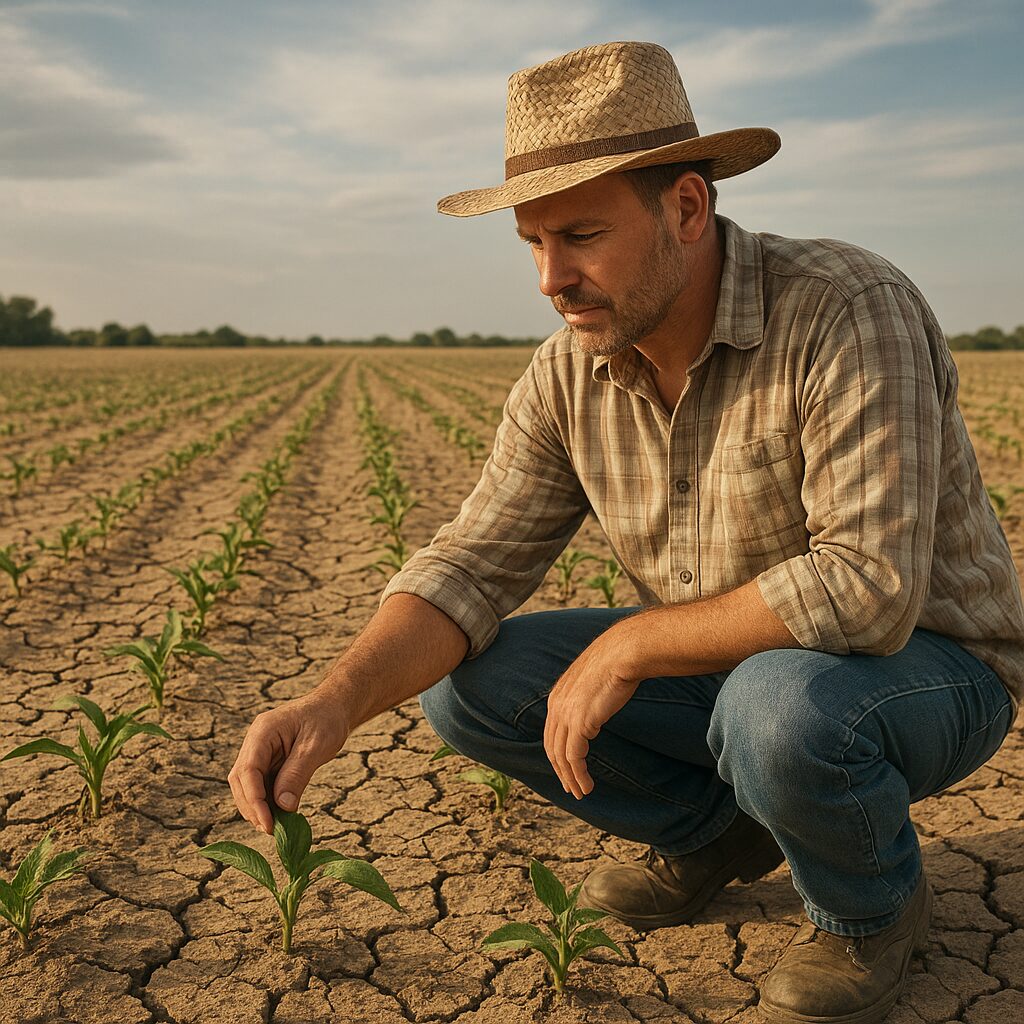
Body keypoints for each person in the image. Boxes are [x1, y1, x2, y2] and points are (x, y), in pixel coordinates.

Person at [229, 41, 1024, 1024]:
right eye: (531, 241)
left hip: (925, 665)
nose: (549, 278)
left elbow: (866, 588)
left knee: (778, 711)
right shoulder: (568, 374)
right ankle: (718, 835)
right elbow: (472, 562)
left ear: (686, 210)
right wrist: (333, 702)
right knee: (476, 682)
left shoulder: (844, 309)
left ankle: (869, 911)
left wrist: (634, 639)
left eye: (581, 235)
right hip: (739, 672)